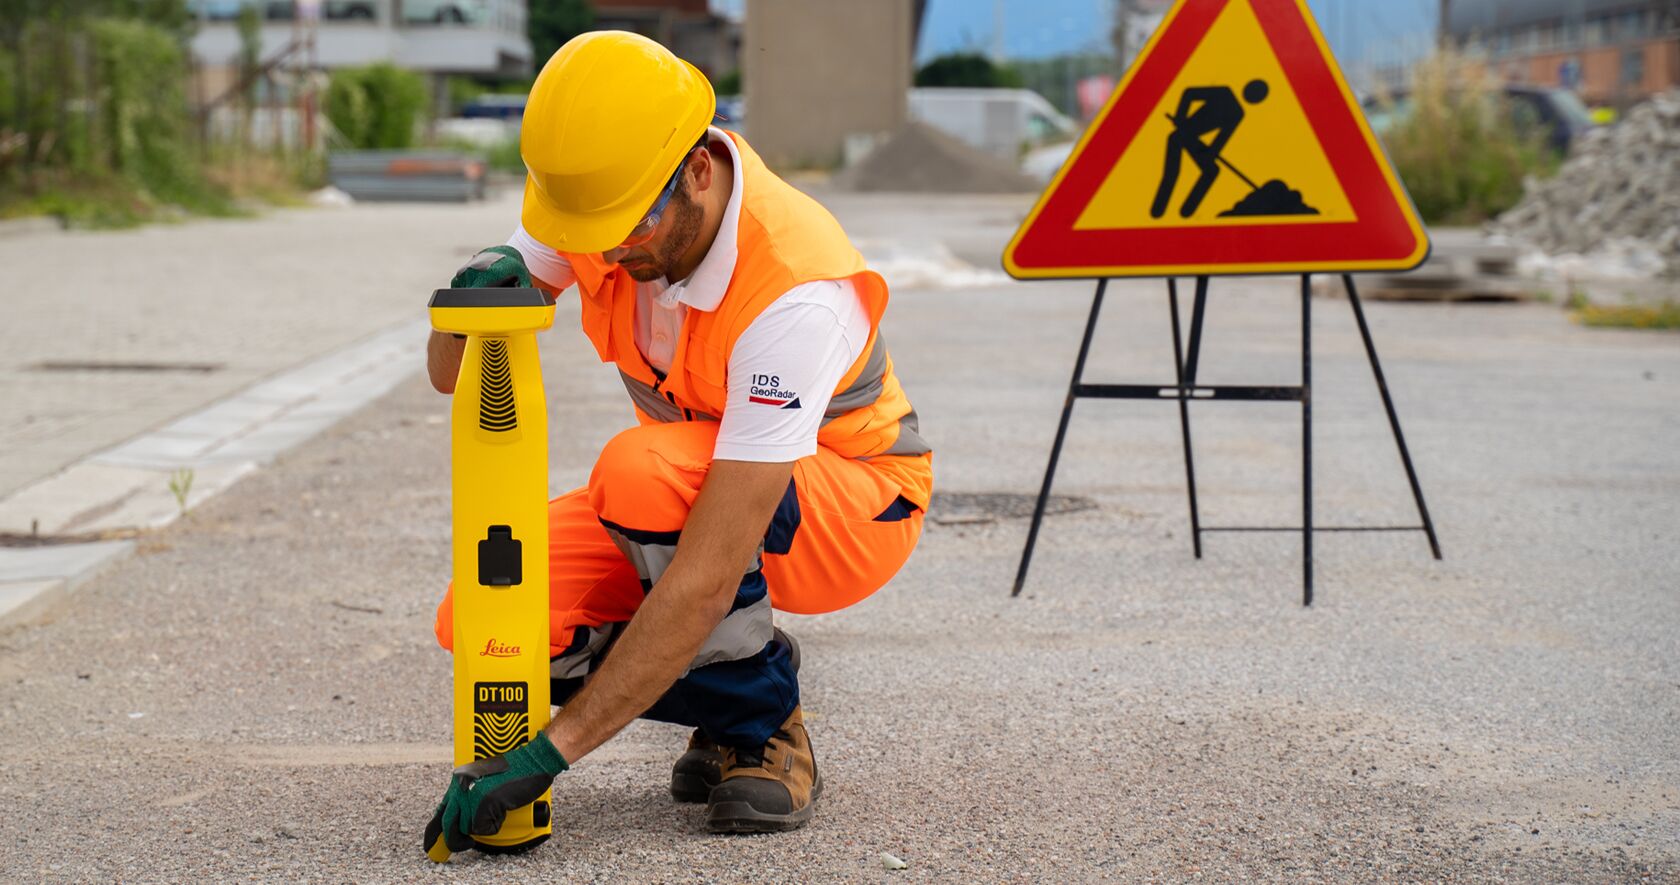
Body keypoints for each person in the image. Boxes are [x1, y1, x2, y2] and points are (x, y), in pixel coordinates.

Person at [422, 30, 932, 853]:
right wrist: (467, 299)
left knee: (640, 471)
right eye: (593, 233)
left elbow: (700, 578)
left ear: (699, 168)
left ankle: (761, 723)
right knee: (486, 621)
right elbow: (448, 377)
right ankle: (726, 689)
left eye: (628, 226)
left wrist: (546, 755)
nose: (610, 253)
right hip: (687, 491)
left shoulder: (794, 290)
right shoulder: (608, 208)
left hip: (855, 506)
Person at [1150, 79, 1269, 219]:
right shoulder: (1224, 93)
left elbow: (1221, 139)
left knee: (1212, 171)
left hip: (1192, 139)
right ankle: (1158, 210)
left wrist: (1210, 153)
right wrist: (1181, 116)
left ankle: (1187, 211)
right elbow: (1189, 93)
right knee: (1172, 173)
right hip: (1180, 135)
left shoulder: (1238, 113)